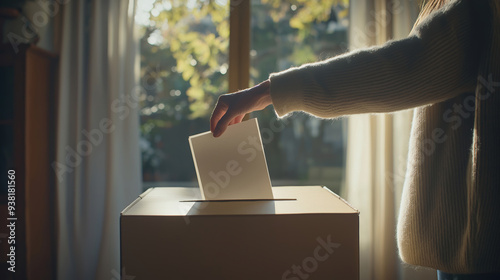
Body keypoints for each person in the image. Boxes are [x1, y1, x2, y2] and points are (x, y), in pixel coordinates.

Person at [210, 0, 500, 279]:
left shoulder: (480, 7)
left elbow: (404, 67)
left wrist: (268, 91)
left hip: (479, 243)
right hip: (467, 239)